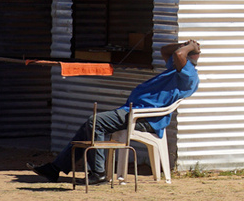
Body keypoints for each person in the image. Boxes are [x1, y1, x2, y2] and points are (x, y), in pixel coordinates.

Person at [34, 40, 202, 183]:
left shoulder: (189, 77)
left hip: (145, 118)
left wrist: (189, 47)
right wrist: (185, 44)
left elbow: (179, 55)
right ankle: (56, 168)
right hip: (133, 111)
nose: (177, 56)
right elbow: (165, 51)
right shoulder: (175, 69)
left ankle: (98, 173)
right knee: (89, 126)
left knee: (95, 122)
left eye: (183, 54)